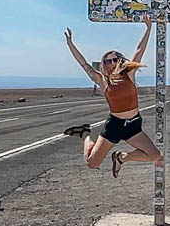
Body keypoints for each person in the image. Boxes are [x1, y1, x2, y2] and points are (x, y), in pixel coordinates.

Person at [62, 16, 163, 177]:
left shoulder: (129, 74)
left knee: (156, 156)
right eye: (107, 60)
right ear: (103, 65)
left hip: (133, 125)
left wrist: (148, 29)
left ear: (120, 60)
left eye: (115, 59)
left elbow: (139, 51)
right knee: (92, 163)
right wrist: (70, 44)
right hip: (114, 125)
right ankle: (85, 134)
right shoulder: (102, 81)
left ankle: (121, 157)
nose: (111, 62)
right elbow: (84, 64)